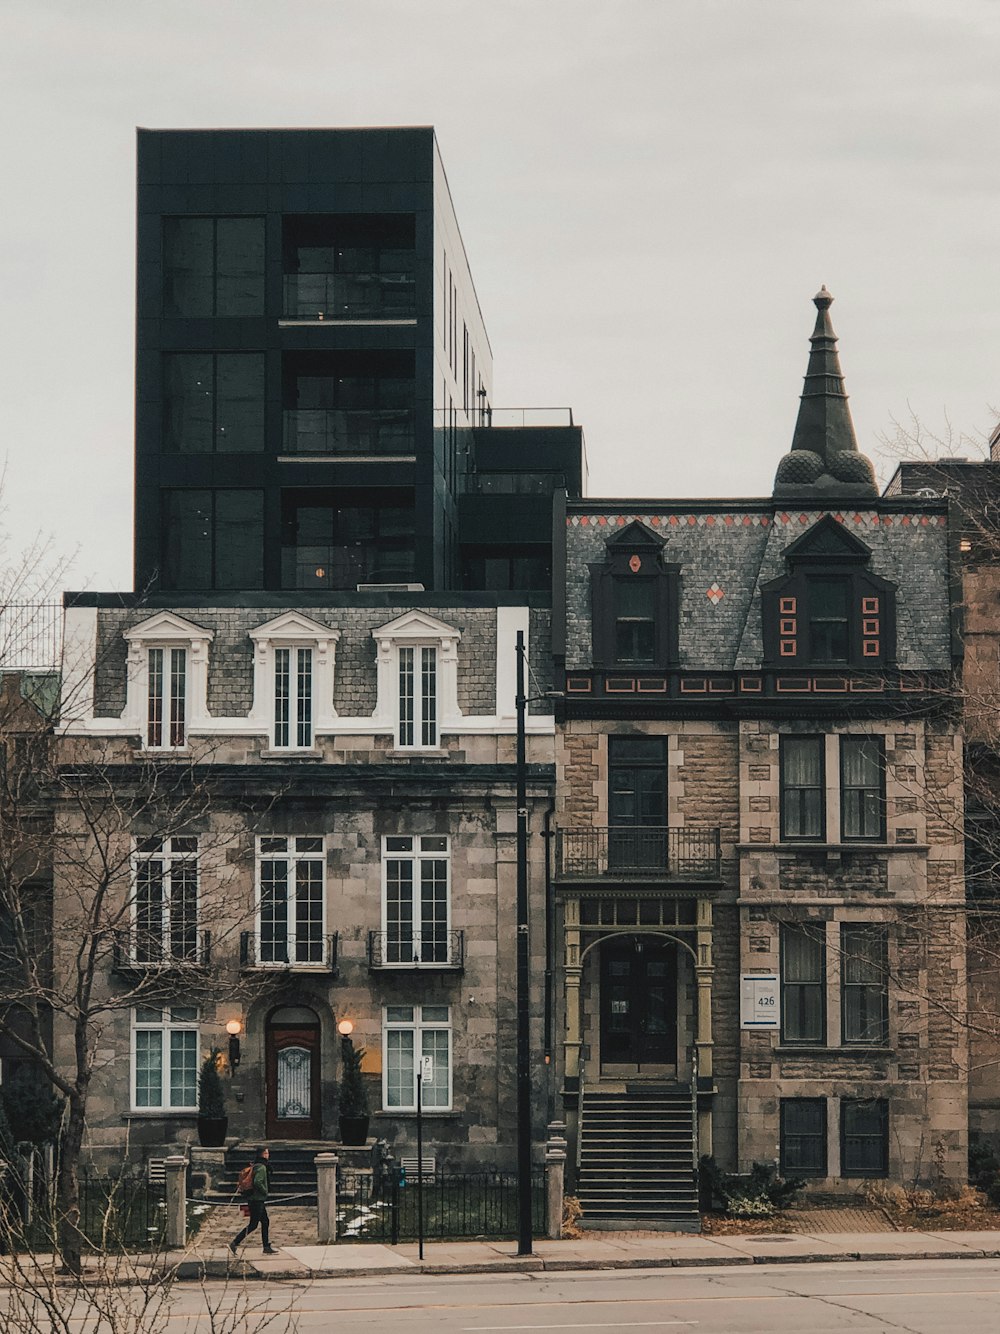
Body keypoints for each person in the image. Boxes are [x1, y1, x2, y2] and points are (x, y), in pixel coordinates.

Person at [230, 1147, 277, 1255]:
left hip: (256, 1199)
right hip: (257, 1199)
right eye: (267, 1153)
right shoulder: (261, 1167)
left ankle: (266, 1246)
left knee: (265, 1221)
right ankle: (235, 1242)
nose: (268, 1155)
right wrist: (265, 1191)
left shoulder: (256, 1165)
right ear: (263, 1154)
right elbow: (257, 1182)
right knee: (253, 1224)